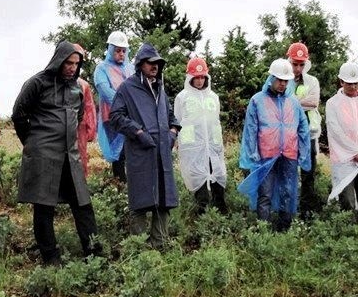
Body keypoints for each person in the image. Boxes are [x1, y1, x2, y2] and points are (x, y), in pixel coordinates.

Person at [12, 41, 97, 263]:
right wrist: (32, 142)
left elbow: (78, 117)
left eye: (76, 64)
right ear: (58, 60)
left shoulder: (77, 88)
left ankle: (94, 253)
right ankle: (51, 258)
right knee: (44, 206)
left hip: (71, 154)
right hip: (44, 154)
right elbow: (19, 113)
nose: (71, 68)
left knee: (83, 204)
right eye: (68, 63)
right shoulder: (37, 83)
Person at [110, 43, 181, 248]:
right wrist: (138, 132)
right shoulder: (127, 88)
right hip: (140, 154)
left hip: (162, 154)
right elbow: (115, 116)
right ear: (140, 64)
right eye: (151, 63)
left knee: (164, 199)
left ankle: (160, 245)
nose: (155, 66)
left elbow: (171, 117)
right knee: (140, 202)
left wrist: (172, 133)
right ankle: (138, 249)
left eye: (158, 63)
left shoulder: (161, 89)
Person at [238, 59, 310, 231]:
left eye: (286, 81)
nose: (282, 84)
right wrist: (252, 152)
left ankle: (284, 230)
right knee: (265, 194)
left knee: (288, 192)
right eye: (279, 80)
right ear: (271, 78)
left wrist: (303, 151)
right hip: (266, 155)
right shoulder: (257, 100)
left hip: (289, 155)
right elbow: (250, 129)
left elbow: (303, 128)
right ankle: (264, 231)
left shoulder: (294, 102)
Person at [325, 61, 358, 232]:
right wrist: (354, 152)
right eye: (349, 83)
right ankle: (349, 239)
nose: (353, 86)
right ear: (341, 82)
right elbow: (335, 131)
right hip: (345, 161)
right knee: (347, 201)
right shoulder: (332, 103)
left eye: (356, 83)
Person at [174, 57, 227, 214]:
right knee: (200, 185)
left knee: (218, 180)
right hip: (193, 150)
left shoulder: (213, 97)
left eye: (202, 77)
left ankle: (221, 217)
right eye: (196, 77)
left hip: (213, 148)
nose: (199, 81)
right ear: (190, 78)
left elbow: (215, 121)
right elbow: (177, 120)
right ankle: (201, 219)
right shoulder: (182, 97)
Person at [286, 43, 323, 216]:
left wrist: (291, 100)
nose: (298, 68)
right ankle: (288, 208)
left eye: (301, 64)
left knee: (308, 173)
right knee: (288, 171)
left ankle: (306, 210)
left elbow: (314, 102)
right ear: (289, 61)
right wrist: (301, 101)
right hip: (287, 134)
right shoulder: (282, 78)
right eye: (295, 64)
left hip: (308, 133)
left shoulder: (312, 81)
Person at [94, 31, 133, 181]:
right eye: (117, 50)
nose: (121, 54)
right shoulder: (102, 68)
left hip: (131, 115)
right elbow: (105, 90)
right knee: (119, 153)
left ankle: (132, 187)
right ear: (110, 50)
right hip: (113, 117)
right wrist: (124, 105)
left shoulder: (131, 68)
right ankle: (120, 185)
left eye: (124, 50)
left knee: (131, 150)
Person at [73, 44, 99, 177]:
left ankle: (81, 192)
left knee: (81, 159)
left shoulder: (83, 85)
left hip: (80, 129)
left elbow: (90, 109)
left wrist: (91, 131)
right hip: (62, 130)